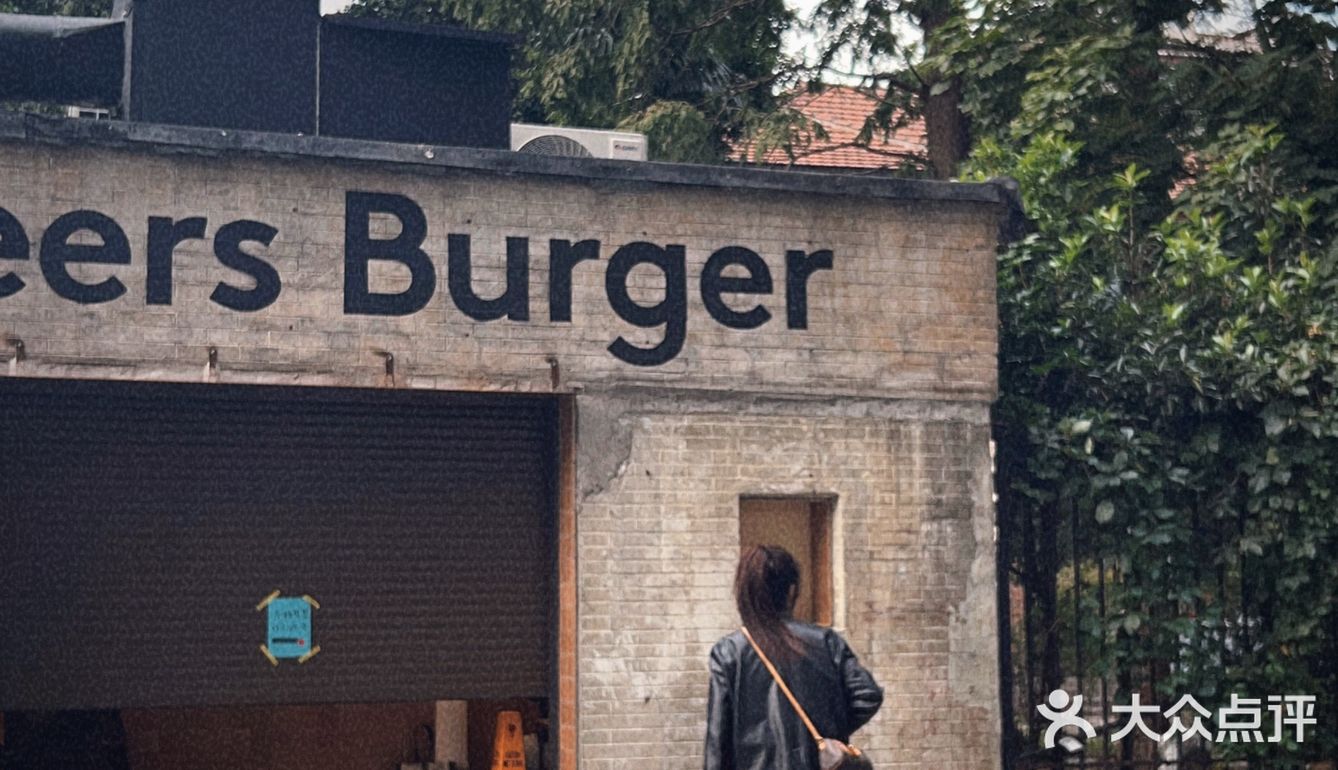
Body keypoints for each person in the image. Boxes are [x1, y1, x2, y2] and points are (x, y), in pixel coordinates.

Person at [704, 544, 884, 770]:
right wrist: (830, 728)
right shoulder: (826, 642)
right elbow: (868, 695)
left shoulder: (729, 652)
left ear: (745, 591)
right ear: (791, 589)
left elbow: (718, 742)